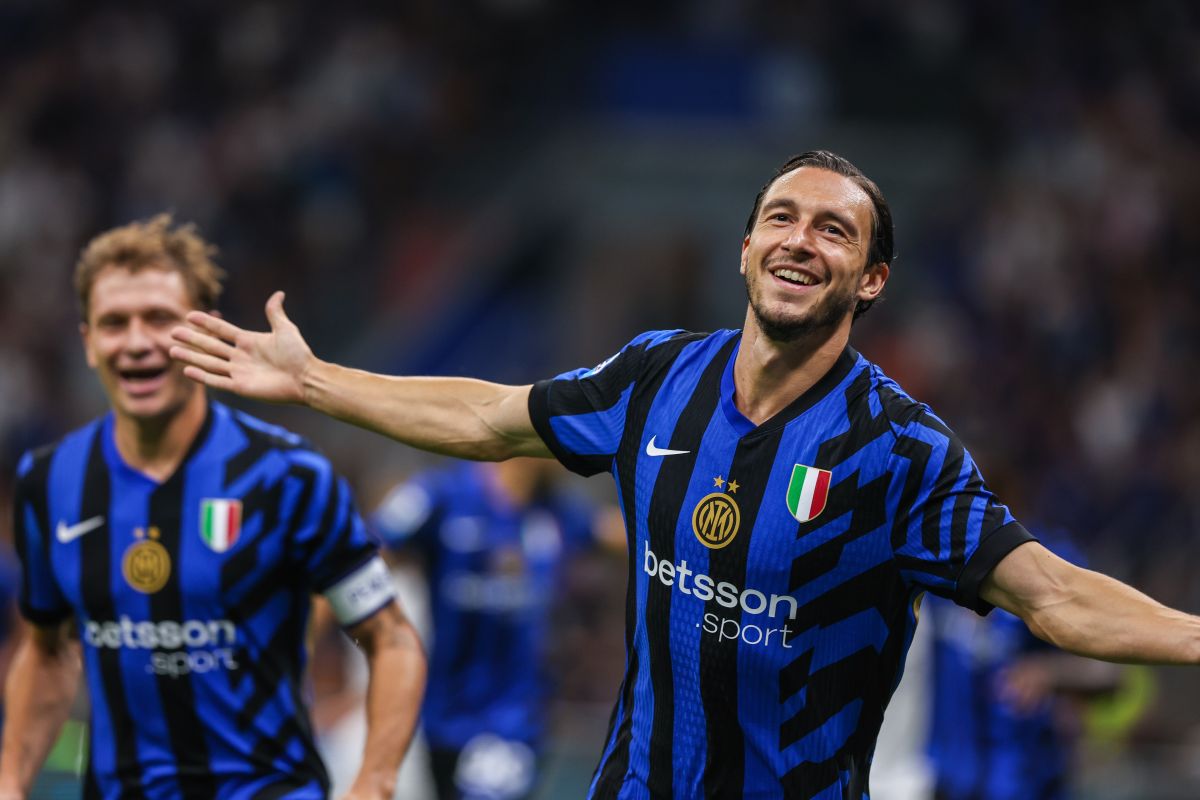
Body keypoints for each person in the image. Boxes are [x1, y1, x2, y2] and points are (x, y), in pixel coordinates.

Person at [169, 151, 1200, 799]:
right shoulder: (658, 375)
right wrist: (315, 380)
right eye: (783, 217)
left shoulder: (902, 450)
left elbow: (1055, 595)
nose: (801, 240)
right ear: (746, 247)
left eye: (834, 229)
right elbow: (489, 417)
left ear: (872, 279)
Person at [0, 215, 426, 800]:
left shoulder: (288, 475)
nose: (136, 342)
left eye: (159, 319)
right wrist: (9, 783)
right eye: (114, 323)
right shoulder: (50, 481)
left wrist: (373, 783)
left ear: (208, 331)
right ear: (88, 342)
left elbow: (391, 638)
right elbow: (45, 650)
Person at [371, 456, 621, 800]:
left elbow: (620, 533)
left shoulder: (556, 511)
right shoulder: (441, 495)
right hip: (444, 712)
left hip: (514, 718)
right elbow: (361, 555)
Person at [925, 529, 1120, 800]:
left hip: (1028, 778)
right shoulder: (929, 559)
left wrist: (1049, 672)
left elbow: (1106, 672)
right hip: (943, 779)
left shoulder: (1047, 557)